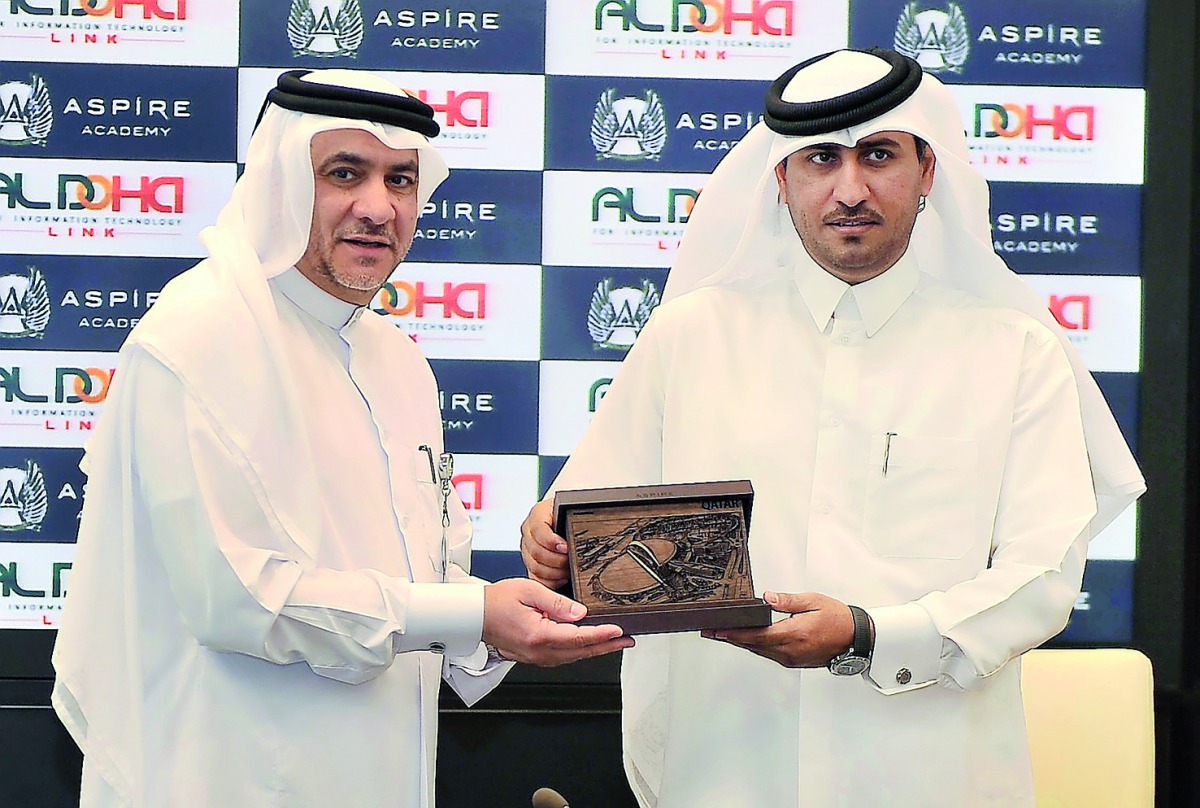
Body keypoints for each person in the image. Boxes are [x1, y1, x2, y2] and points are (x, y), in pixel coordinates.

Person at [521, 48, 1144, 807]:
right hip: (723, 766)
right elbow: (587, 520)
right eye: (821, 159)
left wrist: (869, 634)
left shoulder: (1013, 351)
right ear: (782, 181)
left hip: (930, 772)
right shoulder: (690, 335)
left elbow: (1043, 579)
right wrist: (552, 543)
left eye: (879, 155)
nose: (851, 189)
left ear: (927, 173)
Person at [51, 68, 632, 808]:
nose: (377, 206)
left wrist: (531, 606)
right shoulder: (199, 334)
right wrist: (474, 615)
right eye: (344, 174)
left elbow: (424, 579)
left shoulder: (398, 357)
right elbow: (236, 600)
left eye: (400, 179)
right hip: (224, 776)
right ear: (284, 183)